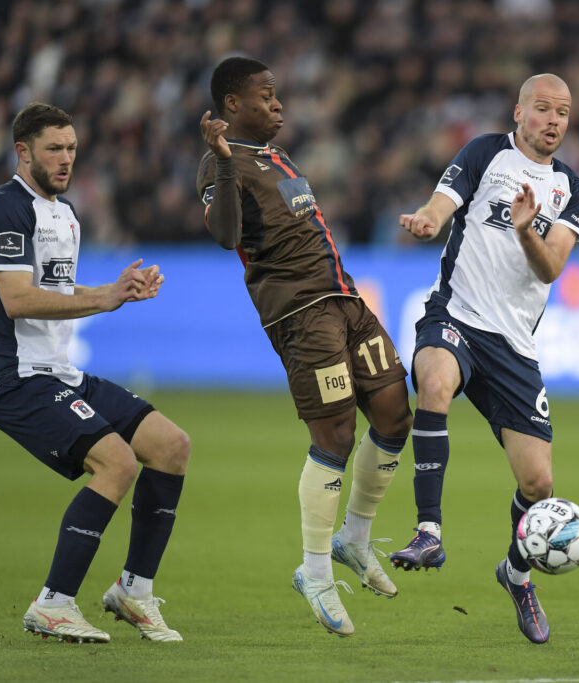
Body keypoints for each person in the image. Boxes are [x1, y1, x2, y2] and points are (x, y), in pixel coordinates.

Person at [197, 57, 412, 638]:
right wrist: (220, 162)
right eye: (267, 96)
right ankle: (315, 573)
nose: (279, 105)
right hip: (300, 314)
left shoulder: (278, 157)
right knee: (336, 435)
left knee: (395, 413)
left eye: (278, 95)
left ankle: (354, 539)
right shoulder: (222, 163)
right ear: (233, 104)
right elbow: (225, 237)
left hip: (345, 297)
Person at [388, 73, 579, 644]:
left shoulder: (572, 190)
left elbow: (550, 267)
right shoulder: (485, 153)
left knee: (539, 483)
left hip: (514, 348)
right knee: (433, 381)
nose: (554, 120)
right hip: (456, 315)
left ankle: (517, 574)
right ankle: (429, 530)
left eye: (564, 112)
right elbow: (442, 201)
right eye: (544, 109)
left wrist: (528, 230)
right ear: (519, 111)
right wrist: (429, 220)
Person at [0, 103, 190, 644]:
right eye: (54, 148)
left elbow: (53, 291)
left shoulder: (66, 213)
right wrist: (103, 299)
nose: (66, 158)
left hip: (60, 371)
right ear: (23, 152)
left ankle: (134, 591)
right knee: (117, 463)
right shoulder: (5, 208)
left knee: (171, 445)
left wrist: (116, 291)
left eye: (72, 147)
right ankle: (52, 604)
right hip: (14, 377)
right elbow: (14, 299)